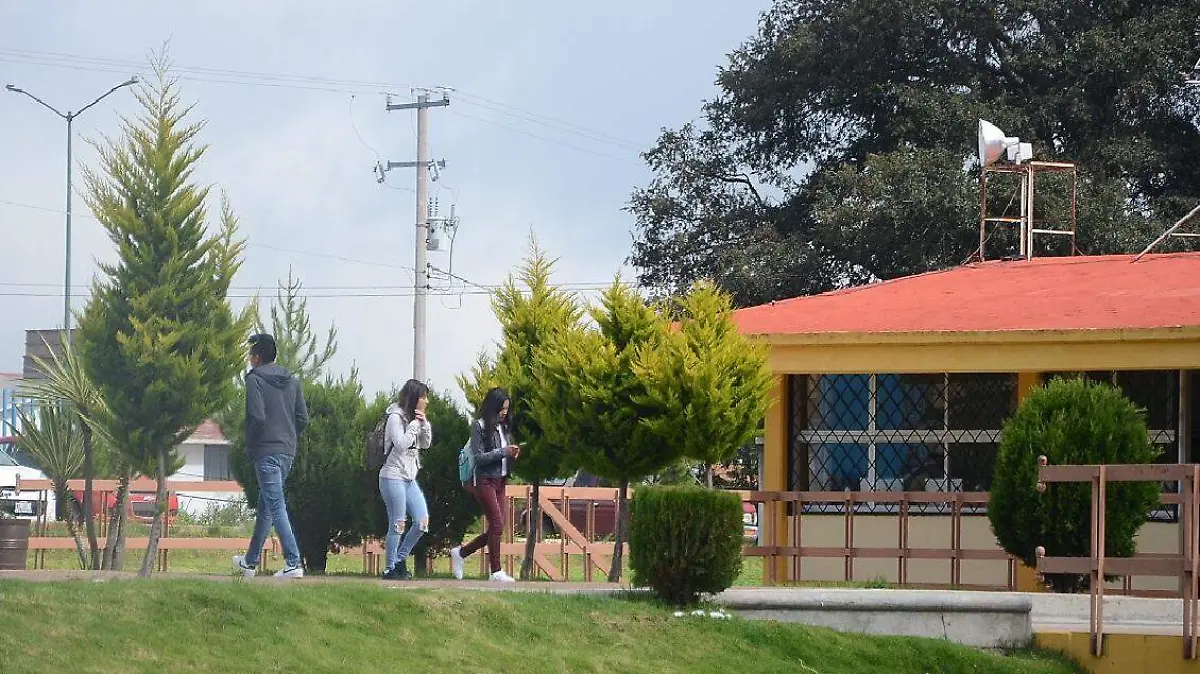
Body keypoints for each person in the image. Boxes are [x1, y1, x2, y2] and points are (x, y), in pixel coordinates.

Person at [232, 333, 309, 579]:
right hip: (287, 450)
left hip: (266, 451)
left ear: (256, 357)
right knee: (266, 506)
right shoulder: (293, 381)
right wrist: (288, 435)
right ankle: (250, 562)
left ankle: (294, 562)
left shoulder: (254, 379)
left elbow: (256, 416)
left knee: (275, 506)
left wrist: (251, 444)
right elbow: (302, 419)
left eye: (250, 355)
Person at [450, 387, 520, 582]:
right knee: (497, 524)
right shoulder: (479, 426)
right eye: (502, 408)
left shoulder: (503, 427)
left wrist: (512, 454)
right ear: (493, 407)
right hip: (485, 480)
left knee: (497, 528)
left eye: (507, 408)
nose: (505, 412)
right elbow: (479, 458)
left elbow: (504, 454)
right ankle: (496, 571)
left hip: (501, 480)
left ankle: (461, 553)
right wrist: (504, 451)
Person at [378, 379, 433, 580]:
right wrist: (412, 426)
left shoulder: (415, 419)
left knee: (421, 522)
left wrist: (424, 425)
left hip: (410, 478)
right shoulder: (395, 417)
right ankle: (390, 568)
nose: (426, 401)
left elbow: (425, 444)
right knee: (398, 523)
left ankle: (400, 559)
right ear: (413, 398)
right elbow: (400, 444)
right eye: (423, 397)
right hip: (392, 476)